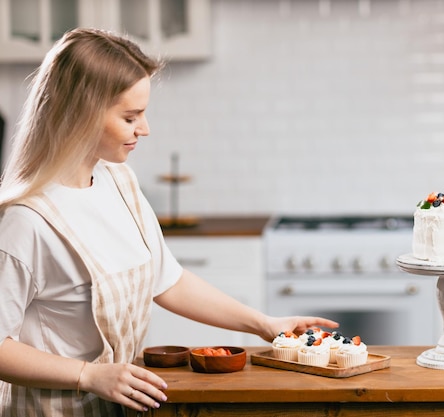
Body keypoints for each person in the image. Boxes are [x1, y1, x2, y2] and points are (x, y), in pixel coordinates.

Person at [0, 28, 338, 416]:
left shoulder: (119, 183)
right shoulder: (25, 222)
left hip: (119, 406)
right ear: (80, 114)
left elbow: (168, 281)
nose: (144, 129)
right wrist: (87, 375)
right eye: (131, 116)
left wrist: (263, 324)